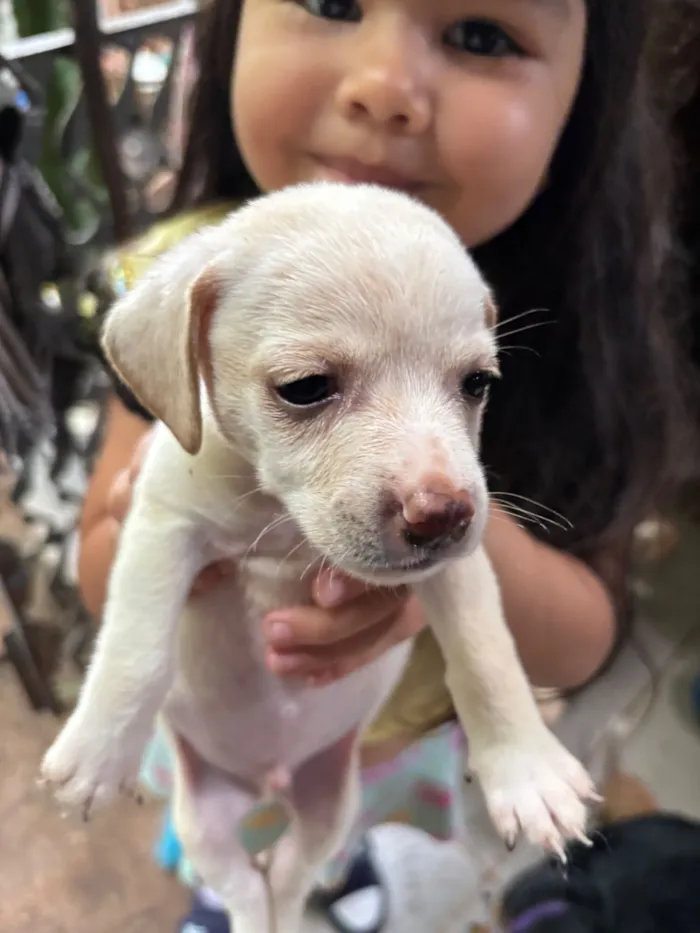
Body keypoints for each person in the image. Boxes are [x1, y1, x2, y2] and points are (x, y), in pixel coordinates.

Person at [78, 0, 697, 930]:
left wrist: (460, 557)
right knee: (227, 856)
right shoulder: (194, 281)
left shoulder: (586, 330)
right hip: (213, 721)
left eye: (481, 34)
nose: (385, 89)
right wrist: (156, 544)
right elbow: (98, 566)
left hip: (392, 745)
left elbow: (588, 637)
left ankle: (343, 885)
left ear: (587, 98)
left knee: (356, 852)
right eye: (307, 385)